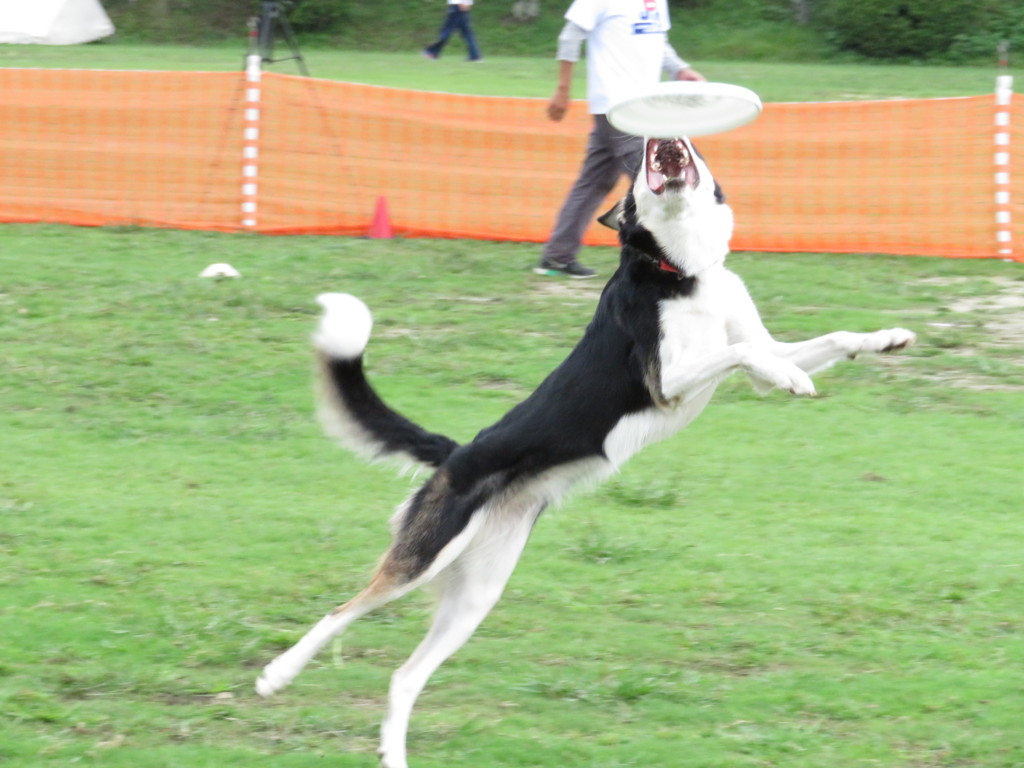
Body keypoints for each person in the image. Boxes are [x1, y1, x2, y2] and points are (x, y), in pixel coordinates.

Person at [535, 0, 705, 279]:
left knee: (595, 181)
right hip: (616, 105)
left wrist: (679, 69)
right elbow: (569, 37)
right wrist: (563, 88)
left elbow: (656, 40)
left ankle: (557, 255)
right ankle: (673, 259)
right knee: (654, 182)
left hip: (645, 104)